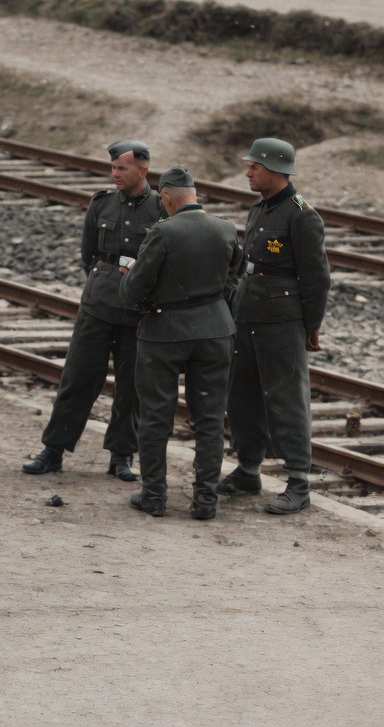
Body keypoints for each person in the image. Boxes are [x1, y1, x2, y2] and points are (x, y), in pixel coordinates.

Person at [21, 139, 163, 481]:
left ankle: (121, 457)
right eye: (112, 168)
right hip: (98, 305)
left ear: (142, 170)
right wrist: (103, 283)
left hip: (137, 310)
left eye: (122, 168)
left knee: (132, 386)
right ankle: (53, 450)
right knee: (77, 379)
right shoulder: (102, 203)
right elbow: (90, 254)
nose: (114, 174)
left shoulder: (160, 208)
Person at [119, 166, 242, 519]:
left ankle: (154, 496)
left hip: (164, 334)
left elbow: (135, 291)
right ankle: (206, 501)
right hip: (216, 332)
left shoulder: (163, 232)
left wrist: (128, 281)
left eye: (162, 200)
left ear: (168, 198)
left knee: (156, 416)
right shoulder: (224, 228)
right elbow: (233, 276)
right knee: (209, 419)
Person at [221, 138, 331, 514]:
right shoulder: (259, 207)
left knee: (286, 400)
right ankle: (248, 469)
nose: (248, 172)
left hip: (283, 321)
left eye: (254, 166)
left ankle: (298, 481)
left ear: (275, 169)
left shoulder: (302, 215)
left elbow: (316, 277)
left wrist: (311, 324)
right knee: (243, 395)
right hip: (247, 315)